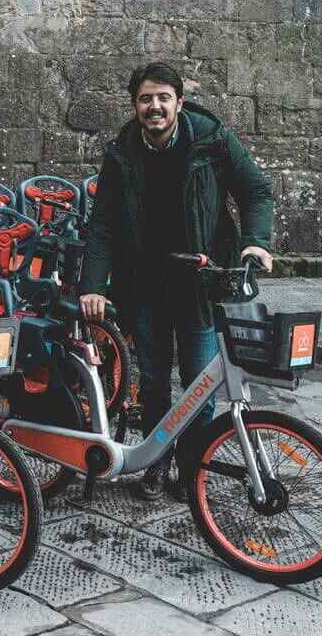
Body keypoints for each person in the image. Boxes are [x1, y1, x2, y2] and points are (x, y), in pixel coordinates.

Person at [78, 61, 274, 501]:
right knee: (150, 380)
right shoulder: (122, 152)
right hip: (146, 283)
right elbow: (104, 225)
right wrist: (92, 285)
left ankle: (193, 468)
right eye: (146, 98)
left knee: (199, 383)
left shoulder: (212, 139)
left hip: (200, 285)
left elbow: (256, 190)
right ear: (135, 105)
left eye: (163, 97)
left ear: (179, 103)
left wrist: (256, 242)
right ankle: (155, 461)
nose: (155, 106)